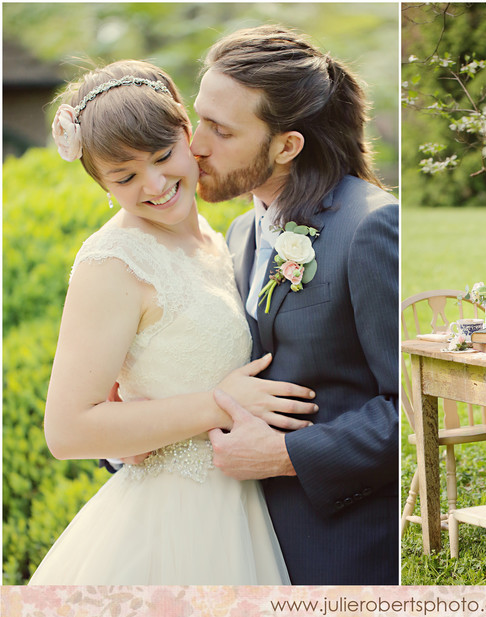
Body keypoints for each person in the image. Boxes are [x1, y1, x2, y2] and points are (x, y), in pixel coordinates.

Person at [29, 59, 318, 585]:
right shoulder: (112, 262)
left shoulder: (221, 235)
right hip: (174, 521)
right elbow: (67, 430)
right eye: (125, 176)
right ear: (101, 183)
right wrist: (220, 403)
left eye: (164, 157)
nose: (156, 184)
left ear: (189, 133)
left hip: (248, 507)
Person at [190, 25, 399, 584]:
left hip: (342, 554)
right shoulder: (237, 231)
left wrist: (289, 455)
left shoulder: (372, 226)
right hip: (241, 543)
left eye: (220, 130)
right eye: (198, 117)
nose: (195, 145)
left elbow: (410, 411)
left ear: (286, 145)